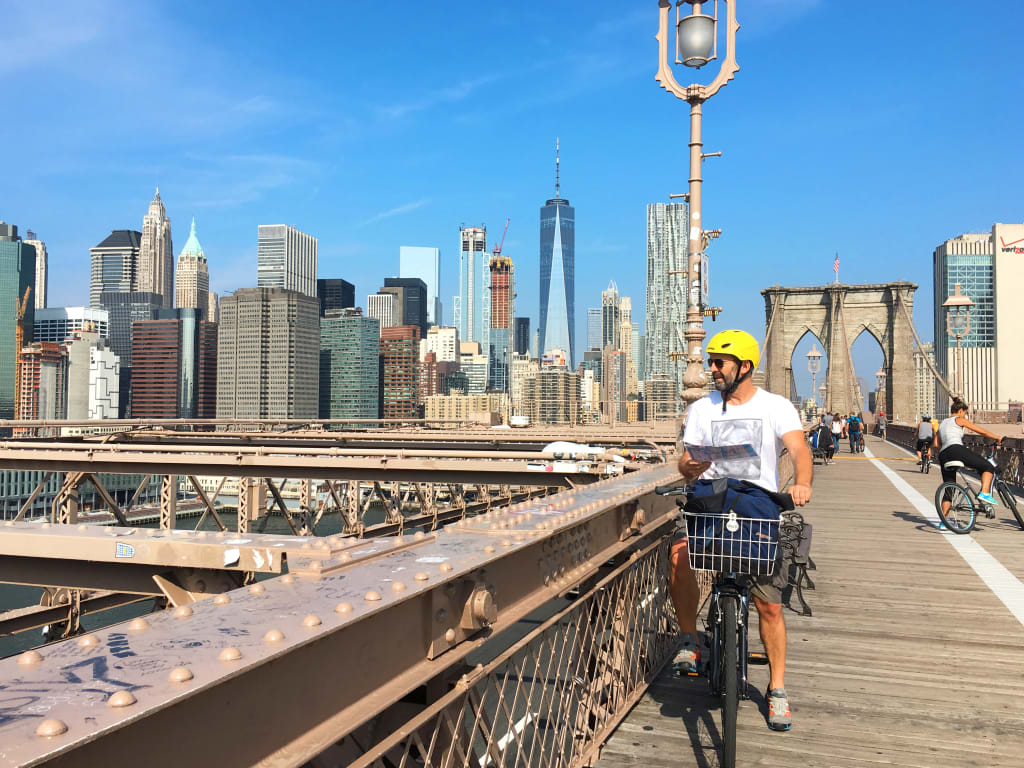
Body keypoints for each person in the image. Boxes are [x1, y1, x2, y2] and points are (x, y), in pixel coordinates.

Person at [669, 329, 812, 732]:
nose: (711, 369)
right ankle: (689, 640)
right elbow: (685, 462)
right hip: (711, 501)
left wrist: (802, 482)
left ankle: (777, 688)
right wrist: (689, 467)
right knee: (679, 554)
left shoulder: (776, 406)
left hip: (756, 506)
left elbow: (799, 449)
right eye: (710, 362)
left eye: (719, 363)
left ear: (745, 367)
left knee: (770, 605)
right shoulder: (702, 409)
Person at [935, 398, 1004, 508]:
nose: (965, 416)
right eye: (965, 413)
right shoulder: (959, 419)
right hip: (956, 449)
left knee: (949, 489)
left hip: (943, 455)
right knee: (988, 467)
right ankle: (984, 493)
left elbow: (936, 444)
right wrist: (997, 437)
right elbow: (981, 431)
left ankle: (943, 518)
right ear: (960, 411)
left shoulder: (942, 423)